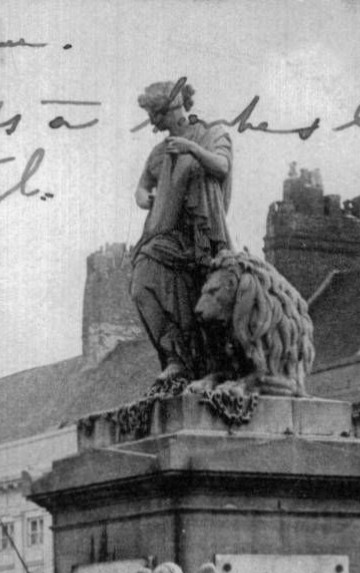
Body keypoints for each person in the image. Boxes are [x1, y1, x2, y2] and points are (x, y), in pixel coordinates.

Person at [129, 78, 234, 388]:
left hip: (204, 233)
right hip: (165, 236)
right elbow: (142, 185)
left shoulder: (211, 132)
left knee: (206, 302)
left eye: (155, 115)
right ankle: (176, 357)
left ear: (172, 108)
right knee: (141, 285)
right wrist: (142, 197)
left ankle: (216, 366)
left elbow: (222, 167)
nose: (152, 123)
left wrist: (192, 149)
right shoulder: (159, 152)